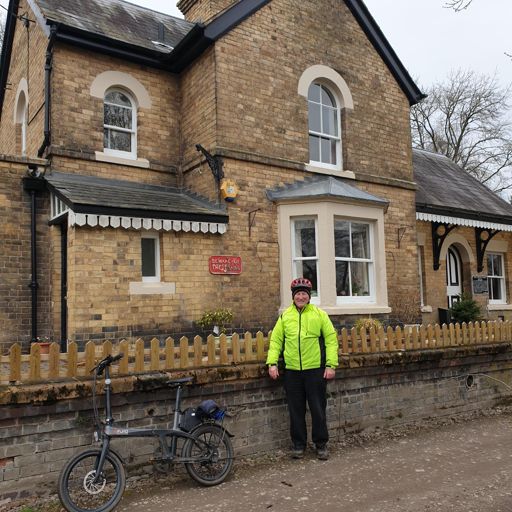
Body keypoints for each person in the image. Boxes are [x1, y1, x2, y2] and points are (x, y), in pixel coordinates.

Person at [266, 277, 338, 460]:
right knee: (296, 410)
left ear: (309, 297)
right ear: (293, 296)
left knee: (318, 409)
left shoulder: (319, 315)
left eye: (304, 294)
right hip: (292, 371)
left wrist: (331, 365)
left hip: (315, 370)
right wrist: (272, 363)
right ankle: (299, 444)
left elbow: (331, 340)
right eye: (298, 294)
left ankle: (321, 444)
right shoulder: (285, 316)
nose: (301, 297)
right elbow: (276, 341)